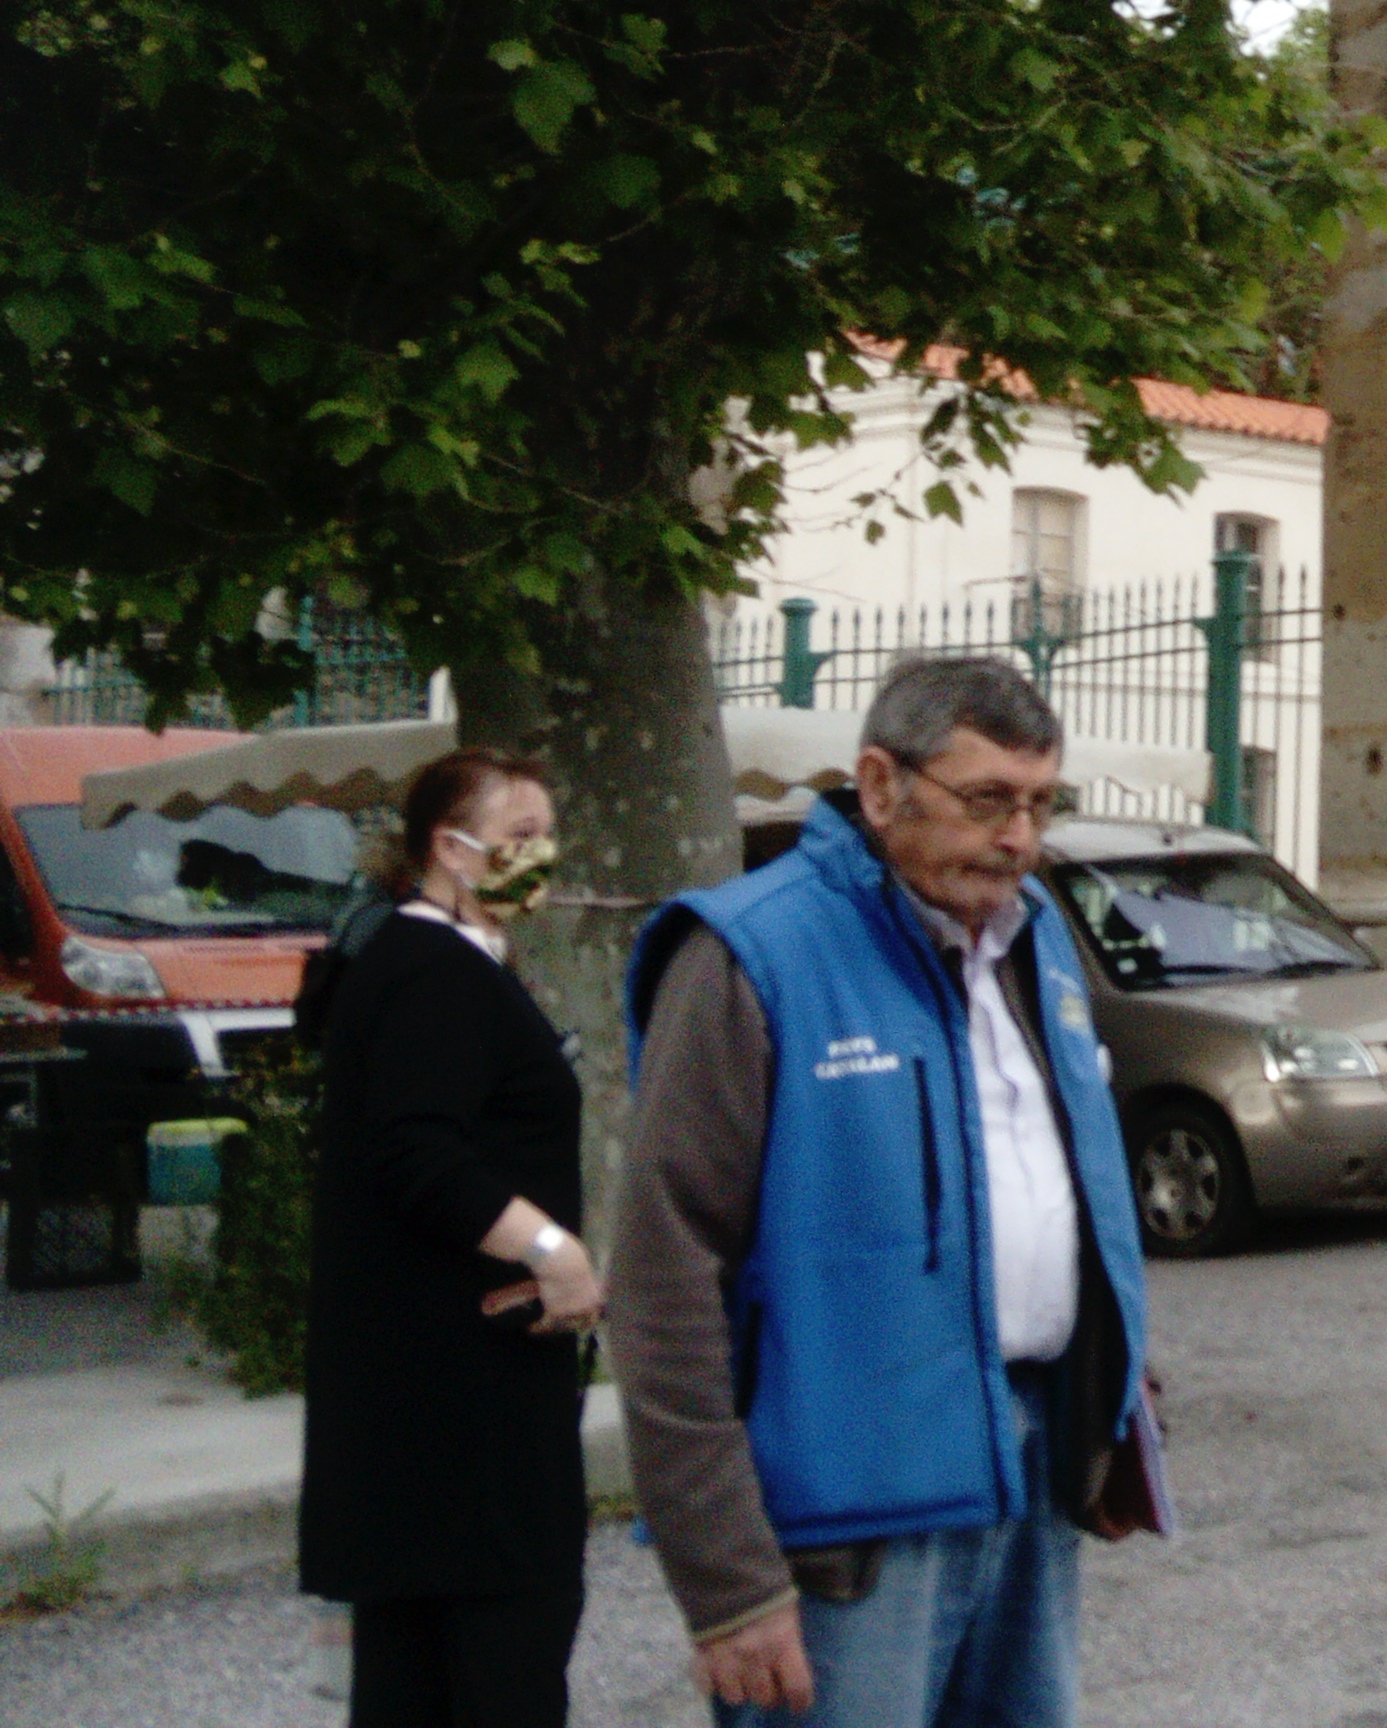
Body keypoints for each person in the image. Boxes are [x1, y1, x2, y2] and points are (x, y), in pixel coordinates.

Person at [609, 657, 1150, 1728]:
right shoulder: (752, 955)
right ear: (877, 783)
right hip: (844, 1516)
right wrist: (725, 1583)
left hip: (1029, 1468)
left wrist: (1122, 1395)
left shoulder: (1031, 939)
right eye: (987, 800)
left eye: (1041, 804)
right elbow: (664, 1281)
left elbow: (1062, 1196)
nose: (1019, 838)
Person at [299, 747, 597, 1728]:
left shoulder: (414, 959)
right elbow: (419, 1155)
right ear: (450, 847)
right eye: (520, 839)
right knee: (494, 1669)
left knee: (414, 1682)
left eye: (546, 837)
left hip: (421, 1414)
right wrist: (552, 1250)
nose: (539, 857)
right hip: (466, 1417)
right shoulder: (435, 971)